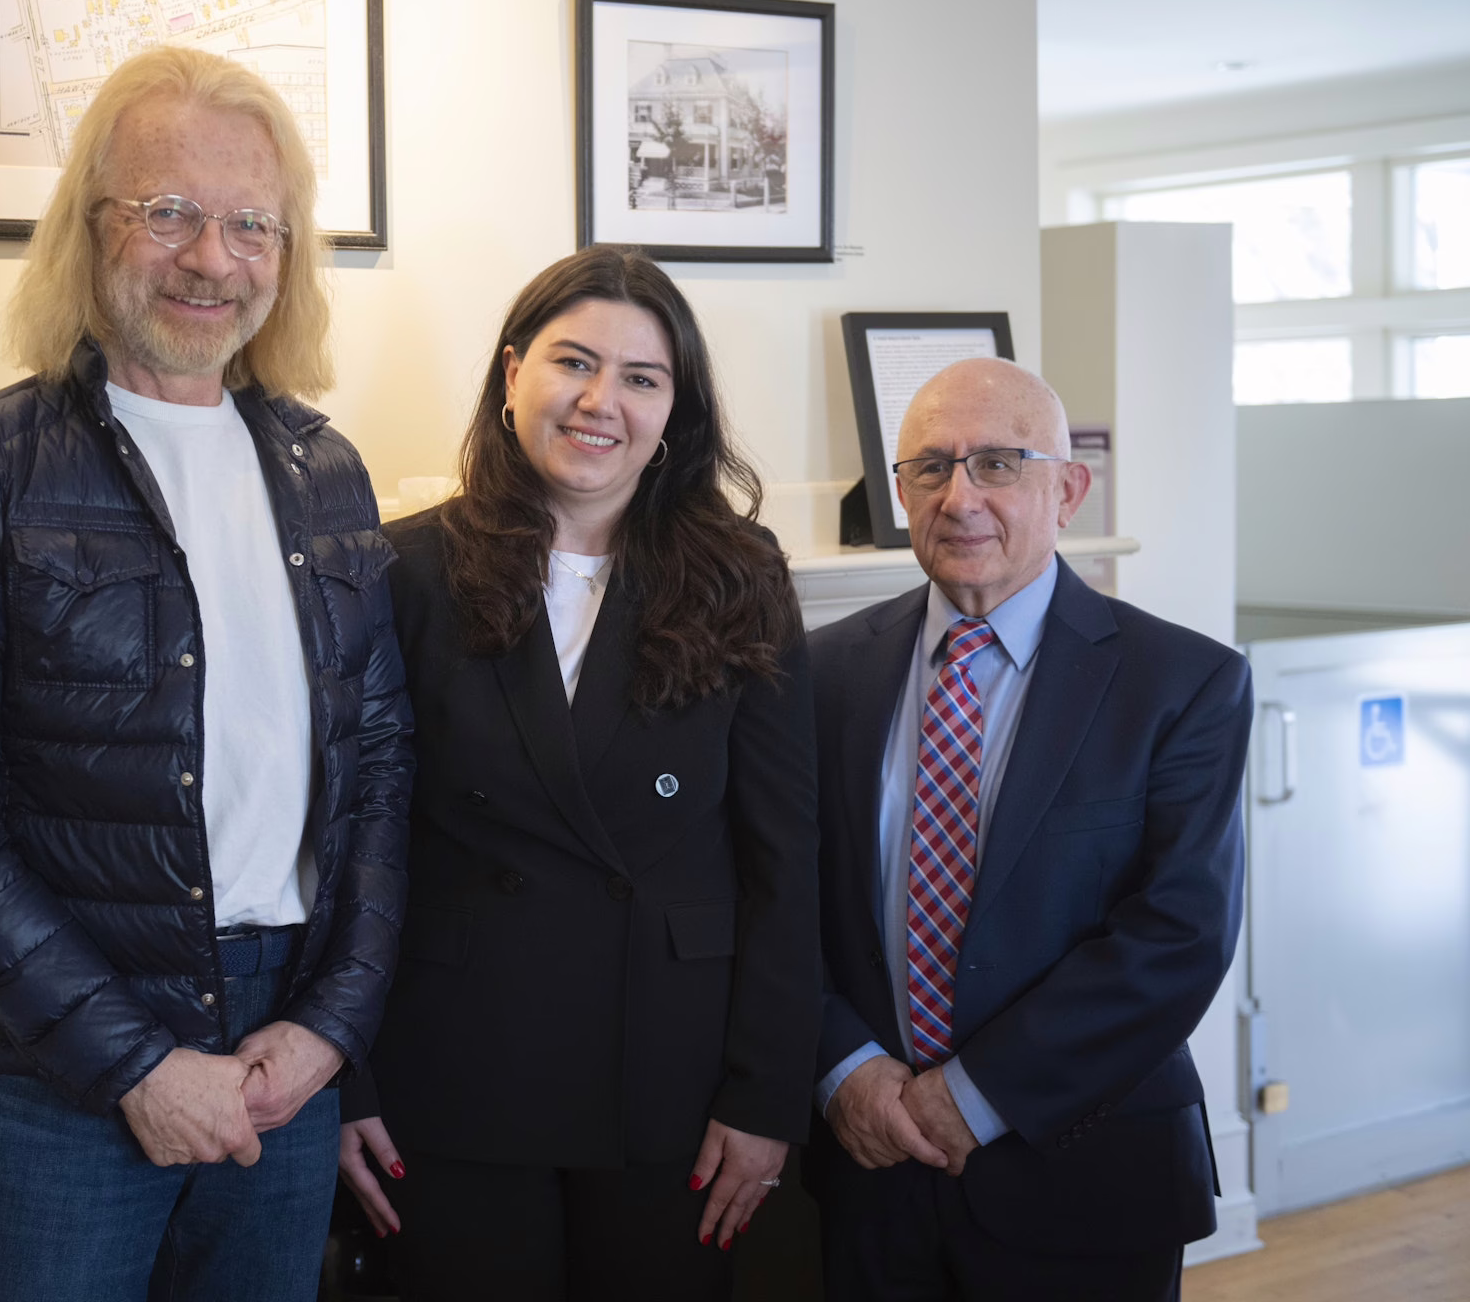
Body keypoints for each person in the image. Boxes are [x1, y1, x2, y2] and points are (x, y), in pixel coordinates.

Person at [0, 46, 413, 1302]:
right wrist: (135, 1064)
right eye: (167, 212)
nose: (212, 257)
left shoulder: (327, 473)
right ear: (88, 228)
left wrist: (331, 1028)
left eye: (248, 222)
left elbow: (378, 770)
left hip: (285, 1048)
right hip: (55, 1069)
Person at [337, 246, 821, 1300]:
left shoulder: (743, 575)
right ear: (513, 374)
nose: (603, 401)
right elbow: (341, 841)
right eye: (574, 362)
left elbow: (787, 865)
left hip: (675, 1081)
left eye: (643, 378)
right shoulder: (402, 570)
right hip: (451, 1069)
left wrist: (768, 1095)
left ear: (675, 412)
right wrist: (344, 1074)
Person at [804, 358, 1251, 1300]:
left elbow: (1178, 936)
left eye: (999, 463)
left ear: (1069, 489)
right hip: (865, 1169)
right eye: (929, 468)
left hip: (1084, 1178)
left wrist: (971, 1098)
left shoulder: (1182, 684)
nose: (960, 496)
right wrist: (844, 1070)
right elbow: (779, 901)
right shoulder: (819, 672)